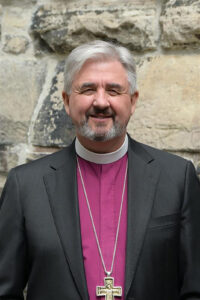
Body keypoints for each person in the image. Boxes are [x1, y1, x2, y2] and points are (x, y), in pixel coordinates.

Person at [0, 40, 200, 300]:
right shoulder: (25, 186)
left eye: (114, 90)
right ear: (67, 101)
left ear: (133, 101)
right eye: (88, 89)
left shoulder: (177, 179)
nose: (101, 101)